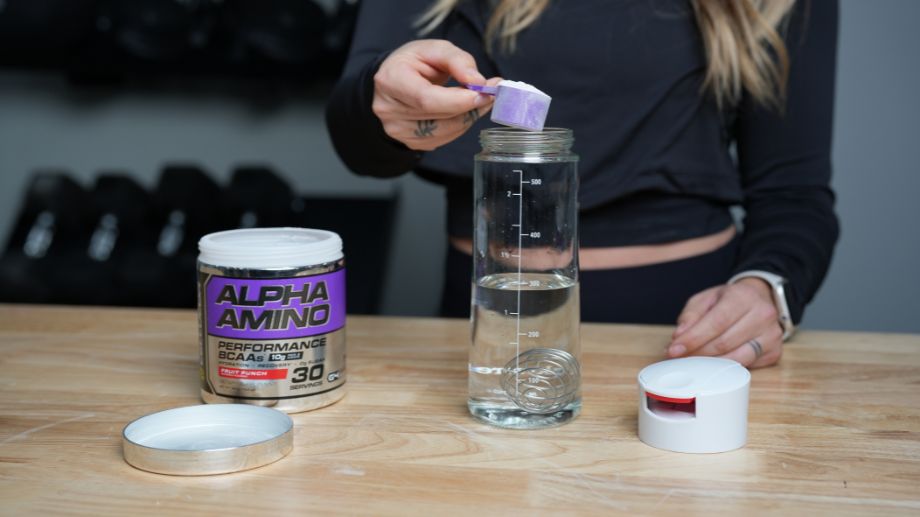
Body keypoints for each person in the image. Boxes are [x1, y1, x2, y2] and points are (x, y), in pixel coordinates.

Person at [325, 0, 839, 369]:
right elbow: (357, 142)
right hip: (484, 325)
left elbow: (794, 193)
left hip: (689, 334)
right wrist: (382, 103)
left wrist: (766, 289)